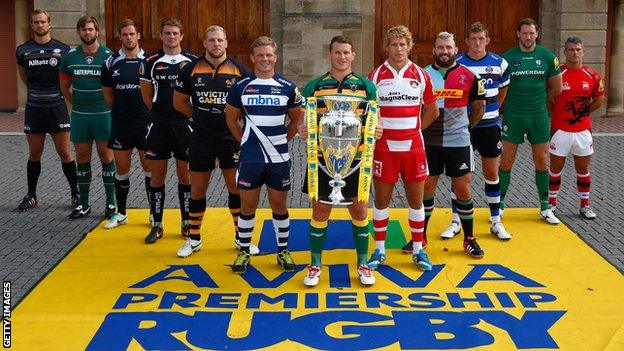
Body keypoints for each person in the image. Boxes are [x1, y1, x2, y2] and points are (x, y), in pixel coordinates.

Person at [298, 35, 382, 287]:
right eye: (337, 52)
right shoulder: (314, 86)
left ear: (353, 55)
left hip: (356, 160)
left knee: (359, 209)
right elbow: (305, 119)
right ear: (329, 54)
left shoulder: (367, 87)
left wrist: (377, 129)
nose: (342, 57)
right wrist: (304, 129)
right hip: (323, 161)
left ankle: (363, 264)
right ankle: (314, 265)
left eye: (346, 52)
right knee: (320, 210)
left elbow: (375, 118)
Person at [173, 25, 253, 257]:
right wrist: (197, 117)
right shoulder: (190, 69)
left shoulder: (240, 70)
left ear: (226, 43)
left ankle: (241, 238)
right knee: (197, 189)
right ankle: (194, 239)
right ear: (204, 43)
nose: (216, 44)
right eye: (211, 40)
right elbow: (179, 103)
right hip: (201, 138)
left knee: (236, 188)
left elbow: (248, 104)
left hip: (230, 139)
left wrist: (237, 124)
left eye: (220, 40)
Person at [225, 36, 303, 273]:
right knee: (248, 205)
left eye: (269, 55)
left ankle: (282, 251)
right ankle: (244, 251)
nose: (265, 59)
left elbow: (297, 120)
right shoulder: (241, 87)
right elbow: (231, 118)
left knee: (279, 205)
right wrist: (245, 141)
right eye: (260, 55)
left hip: (278, 157)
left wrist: (282, 141)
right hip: (250, 158)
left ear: (275, 57)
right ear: (253, 58)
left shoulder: (288, 87)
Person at [366, 25, 439, 271]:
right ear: (386, 48)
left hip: (413, 148)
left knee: (416, 202)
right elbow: (369, 113)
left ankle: (419, 251)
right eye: (394, 44)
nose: (398, 49)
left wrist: (415, 129)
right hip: (384, 149)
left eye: (403, 44)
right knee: (381, 201)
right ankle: (379, 251)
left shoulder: (420, 75)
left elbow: (433, 110)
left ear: (410, 46)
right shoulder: (375, 76)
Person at [440, 22, 512, 240]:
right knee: (460, 177)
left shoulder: (500, 63)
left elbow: (502, 92)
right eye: (473, 39)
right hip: (464, 129)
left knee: (491, 174)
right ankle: (455, 221)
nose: (477, 43)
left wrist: (493, 114)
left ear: (487, 40)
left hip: (490, 127)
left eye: (481, 39)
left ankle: (496, 221)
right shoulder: (458, 63)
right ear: (467, 41)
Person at [419, 31, 486, 259]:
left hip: (458, 141)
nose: (444, 51)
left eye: (448, 47)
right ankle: (420, 237)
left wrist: (466, 129)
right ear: (434, 50)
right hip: (429, 142)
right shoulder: (422, 75)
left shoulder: (469, 75)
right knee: (426, 189)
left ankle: (469, 238)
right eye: (440, 47)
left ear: (456, 49)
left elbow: (479, 107)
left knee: (463, 189)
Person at [499, 18, 563, 224]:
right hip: (513, 115)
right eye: (524, 33)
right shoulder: (507, 58)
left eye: (531, 33)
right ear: (518, 34)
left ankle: (545, 206)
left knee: (542, 160)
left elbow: (557, 88)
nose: (528, 37)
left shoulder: (547, 57)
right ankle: (498, 205)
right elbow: (501, 88)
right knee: (506, 160)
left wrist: (541, 102)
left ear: (537, 34)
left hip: (538, 115)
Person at [140, 18, 197, 244]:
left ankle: (185, 222)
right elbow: (146, 94)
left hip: (185, 126)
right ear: (161, 36)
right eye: (167, 33)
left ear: (181, 36)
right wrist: (157, 111)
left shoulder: (193, 61)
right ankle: (157, 223)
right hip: (159, 125)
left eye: (175, 33)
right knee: (157, 176)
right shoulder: (150, 61)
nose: (171, 37)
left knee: (186, 175)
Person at [15, 9, 78, 212]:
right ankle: (31, 195)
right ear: (32, 25)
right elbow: (23, 76)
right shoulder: (23, 50)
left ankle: (76, 193)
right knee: (35, 153)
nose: (39, 25)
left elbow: (68, 79)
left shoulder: (63, 50)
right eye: (36, 22)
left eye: (43, 21)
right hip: (34, 108)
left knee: (65, 153)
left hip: (57, 107)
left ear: (49, 24)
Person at [59, 15, 115, 220]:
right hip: (81, 116)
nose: (88, 33)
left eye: (91, 29)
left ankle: (111, 204)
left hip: (104, 115)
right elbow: (64, 86)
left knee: (106, 157)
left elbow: (115, 88)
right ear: (79, 32)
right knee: (82, 157)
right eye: (84, 30)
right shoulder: (70, 57)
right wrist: (79, 103)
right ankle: (83, 204)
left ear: (97, 31)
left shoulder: (109, 56)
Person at [100, 19, 151, 229]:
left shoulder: (150, 61)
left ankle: (153, 214)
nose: (129, 38)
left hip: (146, 124)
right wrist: (122, 112)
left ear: (138, 35)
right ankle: (121, 213)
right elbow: (107, 96)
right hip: (121, 124)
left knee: (150, 169)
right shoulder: (110, 63)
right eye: (125, 34)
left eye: (132, 34)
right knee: (121, 169)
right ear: (120, 37)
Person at [548, 36, 604, 219]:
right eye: (571, 49)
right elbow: (548, 98)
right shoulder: (557, 74)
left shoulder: (592, 75)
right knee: (555, 167)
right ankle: (551, 204)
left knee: (583, 169)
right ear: (565, 52)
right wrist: (555, 113)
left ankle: (585, 205)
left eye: (578, 49)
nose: (575, 53)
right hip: (559, 130)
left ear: (583, 52)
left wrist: (582, 113)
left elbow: (599, 100)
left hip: (583, 131)